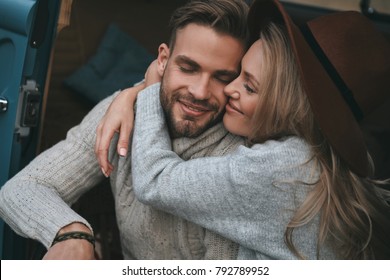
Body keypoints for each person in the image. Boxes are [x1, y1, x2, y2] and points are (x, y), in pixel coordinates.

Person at [98, 0, 390, 259]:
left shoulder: (286, 168)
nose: (229, 89)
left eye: (248, 85)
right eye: (237, 75)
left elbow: (155, 181)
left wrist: (150, 89)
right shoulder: (315, 162)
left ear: (287, 102)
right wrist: (131, 93)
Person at [0, 0, 249, 259]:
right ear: (163, 60)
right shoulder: (122, 112)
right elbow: (22, 188)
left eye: (222, 78)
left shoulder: (241, 158)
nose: (199, 92)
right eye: (188, 68)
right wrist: (72, 232)